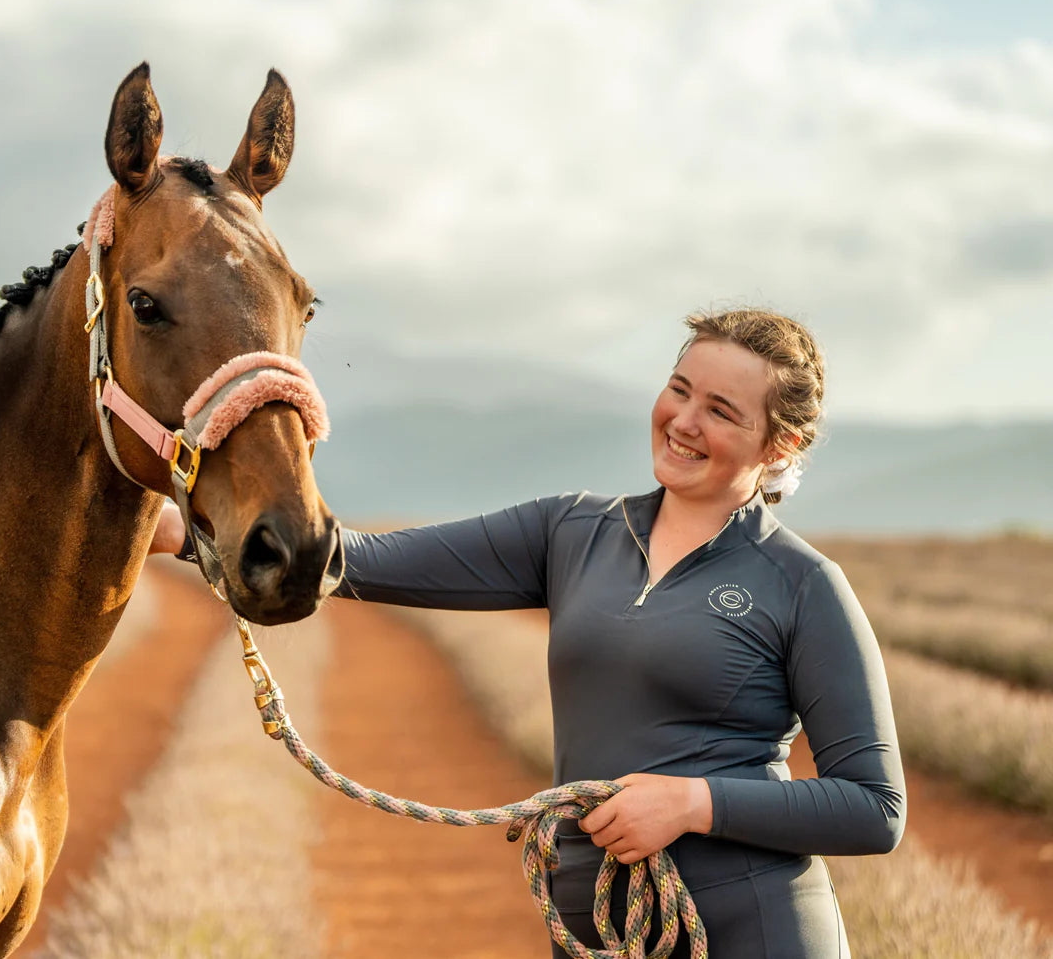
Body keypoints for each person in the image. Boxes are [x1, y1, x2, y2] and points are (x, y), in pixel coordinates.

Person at [153, 308, 905, 957]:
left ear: (781, 446)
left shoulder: (802, 584)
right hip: (598, 926)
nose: (684, 420)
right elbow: (361, 560)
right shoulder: (571, 530)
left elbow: (874, 807)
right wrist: (190, 535)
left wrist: (690, 804)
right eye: (679, 390)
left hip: (752, 926)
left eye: (721, 410)